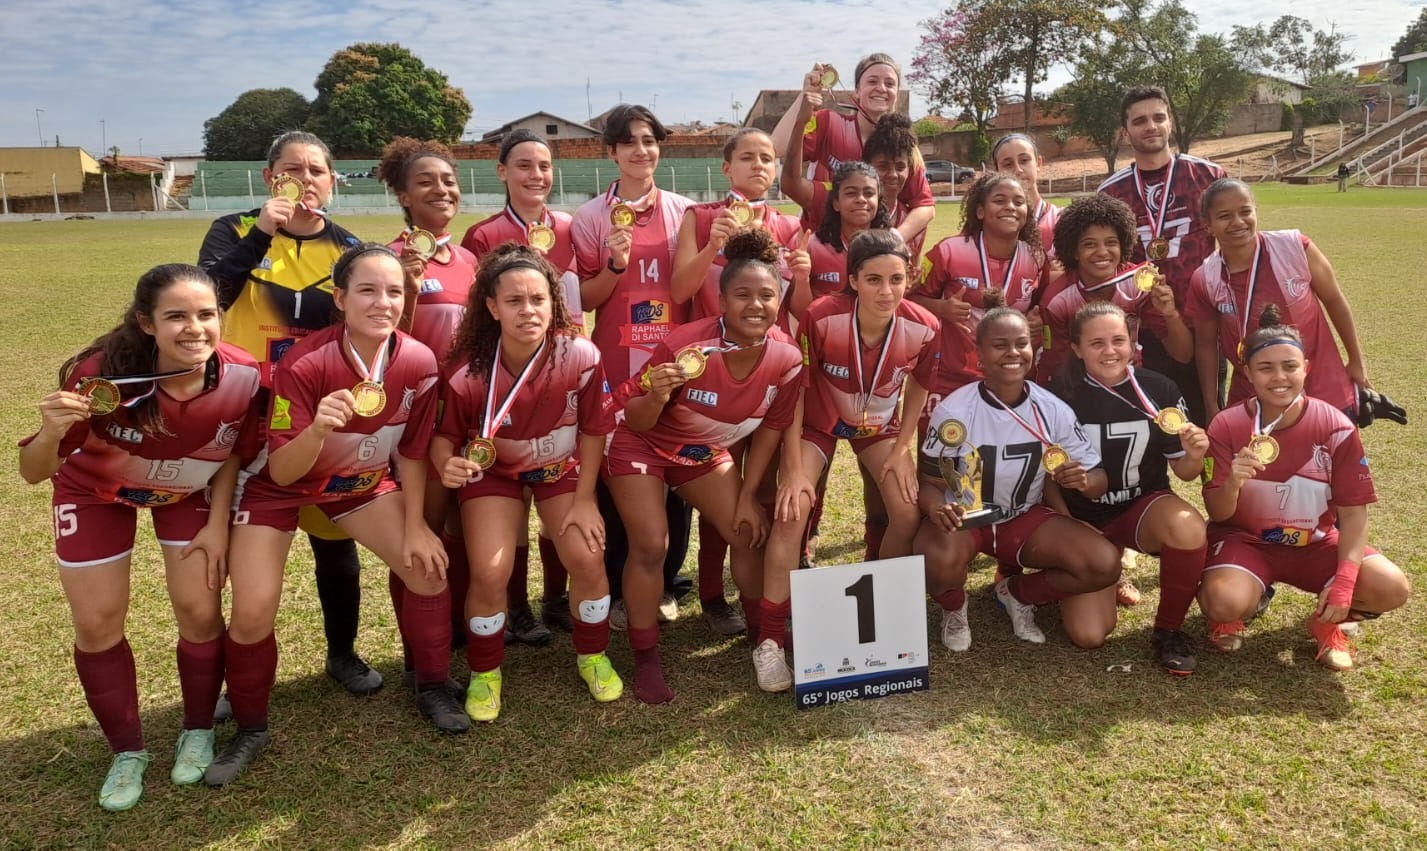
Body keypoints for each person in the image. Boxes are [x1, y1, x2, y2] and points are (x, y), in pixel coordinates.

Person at [205, 244, 464, 788]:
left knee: (426, 566)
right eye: (368, 291)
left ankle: (433, 686)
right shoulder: (305, 363)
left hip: (355, 484)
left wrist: (416, 523)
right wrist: (318, 429)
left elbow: (413, 453)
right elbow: (281, 467)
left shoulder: (418, 361)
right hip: (275, 487)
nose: (383, 302)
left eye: (394, 291)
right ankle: (251, 727)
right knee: (253, 610)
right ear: (341, 299)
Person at [18, 265, 262, 811]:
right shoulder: (100, 376)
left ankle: (198, 728)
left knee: (199, 611)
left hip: (185, 494)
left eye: (206, 314)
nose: (194, 328)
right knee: (97, 621)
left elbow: (233, 456)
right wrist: (55, 428)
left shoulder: (244, 375)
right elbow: (33, 472)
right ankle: (127, 751)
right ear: (146, 323)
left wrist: (218, 525)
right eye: (176, 316)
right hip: (94, 493)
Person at [197, 131, 377, 697]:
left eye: (317, 171)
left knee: (333, 539)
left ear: (331, 182)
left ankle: (342, 654)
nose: (305, 180)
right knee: (244, 549)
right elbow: (210, 296)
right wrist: (265, 233)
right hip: (246, 410)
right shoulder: (233, 229)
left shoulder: (349, 247)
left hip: (315, 413)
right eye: (291, 170)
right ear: (269, 176)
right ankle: (238, 675)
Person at [606, 230, 803, 702]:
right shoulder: (685, 344)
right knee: (652, 545)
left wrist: (749, 494)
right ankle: (646, 657)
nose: (755, 305)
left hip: (700, 453)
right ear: (721, 301)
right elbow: (636, 418)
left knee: (748, 531)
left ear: (780, 300)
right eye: (742, 295)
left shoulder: (787, 358)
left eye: (767, 295)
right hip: (641, 444)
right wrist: (657, 392)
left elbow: (771, 432)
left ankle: (764, 638)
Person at [431, 245, 619, 721]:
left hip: (560, 472)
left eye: (538, 299)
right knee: (491, 573)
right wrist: (447, 464)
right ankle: (485, 671)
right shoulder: (467, 370)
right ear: (491, 307)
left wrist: (584, 500)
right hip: (493, 473)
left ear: (553, 303)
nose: (527, 310)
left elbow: (595, 428)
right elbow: (445, 438)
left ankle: (593, 655)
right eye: (514, 301)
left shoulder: (580, 354)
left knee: (587, 557)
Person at [761, 229, 936, 688]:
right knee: (791, 511)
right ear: (853, 279)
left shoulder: (924, 326)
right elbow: (796, 389)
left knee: (906, 511)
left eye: (896, 279)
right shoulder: (820, 317)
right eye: (873, 279)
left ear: (908, 278)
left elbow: (920, 384)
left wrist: (902, 451)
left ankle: (877, 601)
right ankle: (771, 643)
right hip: (818, 423)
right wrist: (795, 470)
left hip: (879, 428)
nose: (886, 290)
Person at [1199, 308, 1409, 671]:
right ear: (1246, 373)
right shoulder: (1226, 426)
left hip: (1314, 544)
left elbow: (1354, 512)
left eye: (1289, 366)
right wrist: (1234, 482)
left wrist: (1344, 582)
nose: (1279, 377)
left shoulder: (1336, 426)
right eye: (1265, 368)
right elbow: (1218, 513)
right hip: (1247, 541)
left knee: (1391, 588)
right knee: (1223, 600)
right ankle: (1232, 614)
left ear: (1306, 368)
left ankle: (1327, 623)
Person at [915, 296, 1121, 650]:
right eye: (1000, 345)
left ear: (1032, 347)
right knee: (933, 559)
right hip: (968, 519)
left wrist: (1085, 481)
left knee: (1103, 563)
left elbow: (1097, 477)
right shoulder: (954, 410)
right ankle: (953, 607)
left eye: (1021, 343)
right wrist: (937, 510)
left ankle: (1016, 593)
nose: (1013, 353)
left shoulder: (1052, 408)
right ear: (978, 353)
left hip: (1023, 516)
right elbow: (930, 485)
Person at [669, 128, 809, 637]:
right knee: (722, 496)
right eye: (746, 157)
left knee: (762, 491)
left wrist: (804, 273)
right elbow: (680, 288)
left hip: (769, 375)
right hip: (712, 379)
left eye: (766, 159)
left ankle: (766, 599)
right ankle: (712, 595)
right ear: (726, 167)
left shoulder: (789, 226)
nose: (757, 166)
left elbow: (798, 309)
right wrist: (712, 245)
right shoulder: (700, 216)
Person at [571, 104, 697, 629]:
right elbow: (585, 299)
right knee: (618, 470)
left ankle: (665, 580)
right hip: (616, 360)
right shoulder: (589, 217)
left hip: (675, 359)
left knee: (676, 467)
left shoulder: (686, 211)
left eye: (649, 140)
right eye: (628, 142)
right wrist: (614, 266)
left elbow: (692, 286)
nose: (640, 151)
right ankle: (622, 579)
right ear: (611, 152)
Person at [463, 129, 585, 643]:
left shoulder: (569, 227)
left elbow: (582, 296)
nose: (536, 175)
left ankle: (555, 598)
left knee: (556, 480)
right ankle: (514, 608)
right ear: (502, 172)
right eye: (524, 165)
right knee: (509, 496)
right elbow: (477, 316)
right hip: (506, 380)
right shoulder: (483, 235)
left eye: (544, 165)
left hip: (560, 372)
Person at [376, 136, 483, 665]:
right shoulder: (389, 261)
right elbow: (382, 349)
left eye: (448, 180)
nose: (441, 190)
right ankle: (422, 652)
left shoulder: (468, 259)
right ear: (402, 195)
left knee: (463, 526)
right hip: (420, 422)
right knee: (423, 533)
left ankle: (458, 629)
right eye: (425, 182)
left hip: (469, 417)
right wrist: (410, 290)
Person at [1058, 302, 1209, 674]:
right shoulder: (1060, 394)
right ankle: (1082, 574)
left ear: (1132, 341)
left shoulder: (1159, 388)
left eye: (1118, 340)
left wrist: (1194, 454)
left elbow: (1185, 473)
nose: (1109, 351)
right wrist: (1065, 525)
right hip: (1081, 518)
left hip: (1140, 509)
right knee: (1089, 634)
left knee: (1189, 526)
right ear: (1076, 348)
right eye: (1096, 343)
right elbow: (1047, 474)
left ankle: (1169, 629)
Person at [1098, 86, 1227, 424]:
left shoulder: (1208, 178)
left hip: (1203, 323)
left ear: (1170, 121)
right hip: (1142, 331)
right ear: (1126, 133)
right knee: (1151, 424)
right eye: (1139, 121)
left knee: (1212, 421)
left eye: (1158, 117)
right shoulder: (1110, 193)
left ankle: (1214, 479)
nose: (1150, 126)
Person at [1186, 178, 1366, 421]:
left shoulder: (1295, 248)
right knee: (1259, 457)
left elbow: (1334, 299)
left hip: (1322, 384)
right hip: (1253, 395)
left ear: (1255, 212)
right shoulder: (1205, 278)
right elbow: (1206, 345)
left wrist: (1355, 360)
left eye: (1245, 211)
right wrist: (1210, 404)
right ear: (1208, 225)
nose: (1238, 222)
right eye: (1224, 215)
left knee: (1331, 455)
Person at [774, 54, 935, 244]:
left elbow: (925, 205)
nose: (881, 88)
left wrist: (894, 239)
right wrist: (806, 93)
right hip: (823, 243)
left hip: (874, 253)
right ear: (857, 90)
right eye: (872, 81)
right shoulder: (829, 123)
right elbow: (778, 146)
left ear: (897, 94)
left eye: (890, 84)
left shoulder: (904, 146)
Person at [1040, 194, 1190, 392]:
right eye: (1089, 244)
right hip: (1082, 388)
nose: (1102, 252)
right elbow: (1055, 366)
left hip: (1132, 381)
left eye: (1111, 242)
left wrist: (1170, 313)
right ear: (1074, 251)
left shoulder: (1139, 283)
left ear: (1123, 245)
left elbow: (1183, 354)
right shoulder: (1056, 300)